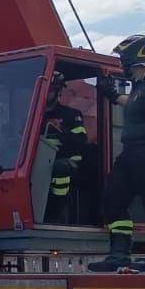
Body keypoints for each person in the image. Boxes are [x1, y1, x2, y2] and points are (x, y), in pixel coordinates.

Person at [90, 34, 145, 271]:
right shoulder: (141, 86)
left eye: (123, 59)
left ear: (136, 58)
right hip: (130, 152)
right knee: (113, 198)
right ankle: (119, 254)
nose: (121, 64)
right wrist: (113, 96)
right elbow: (135, 104)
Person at [41, 71, 91, 223]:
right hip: (40, 162)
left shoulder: (71, 115)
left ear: (57, 91)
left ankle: (53, 214)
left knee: (60, 168)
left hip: (68, 162)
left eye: (49, 89)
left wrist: (62, 132)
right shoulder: (34, 114)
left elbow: (81, 141)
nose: (45, 92)